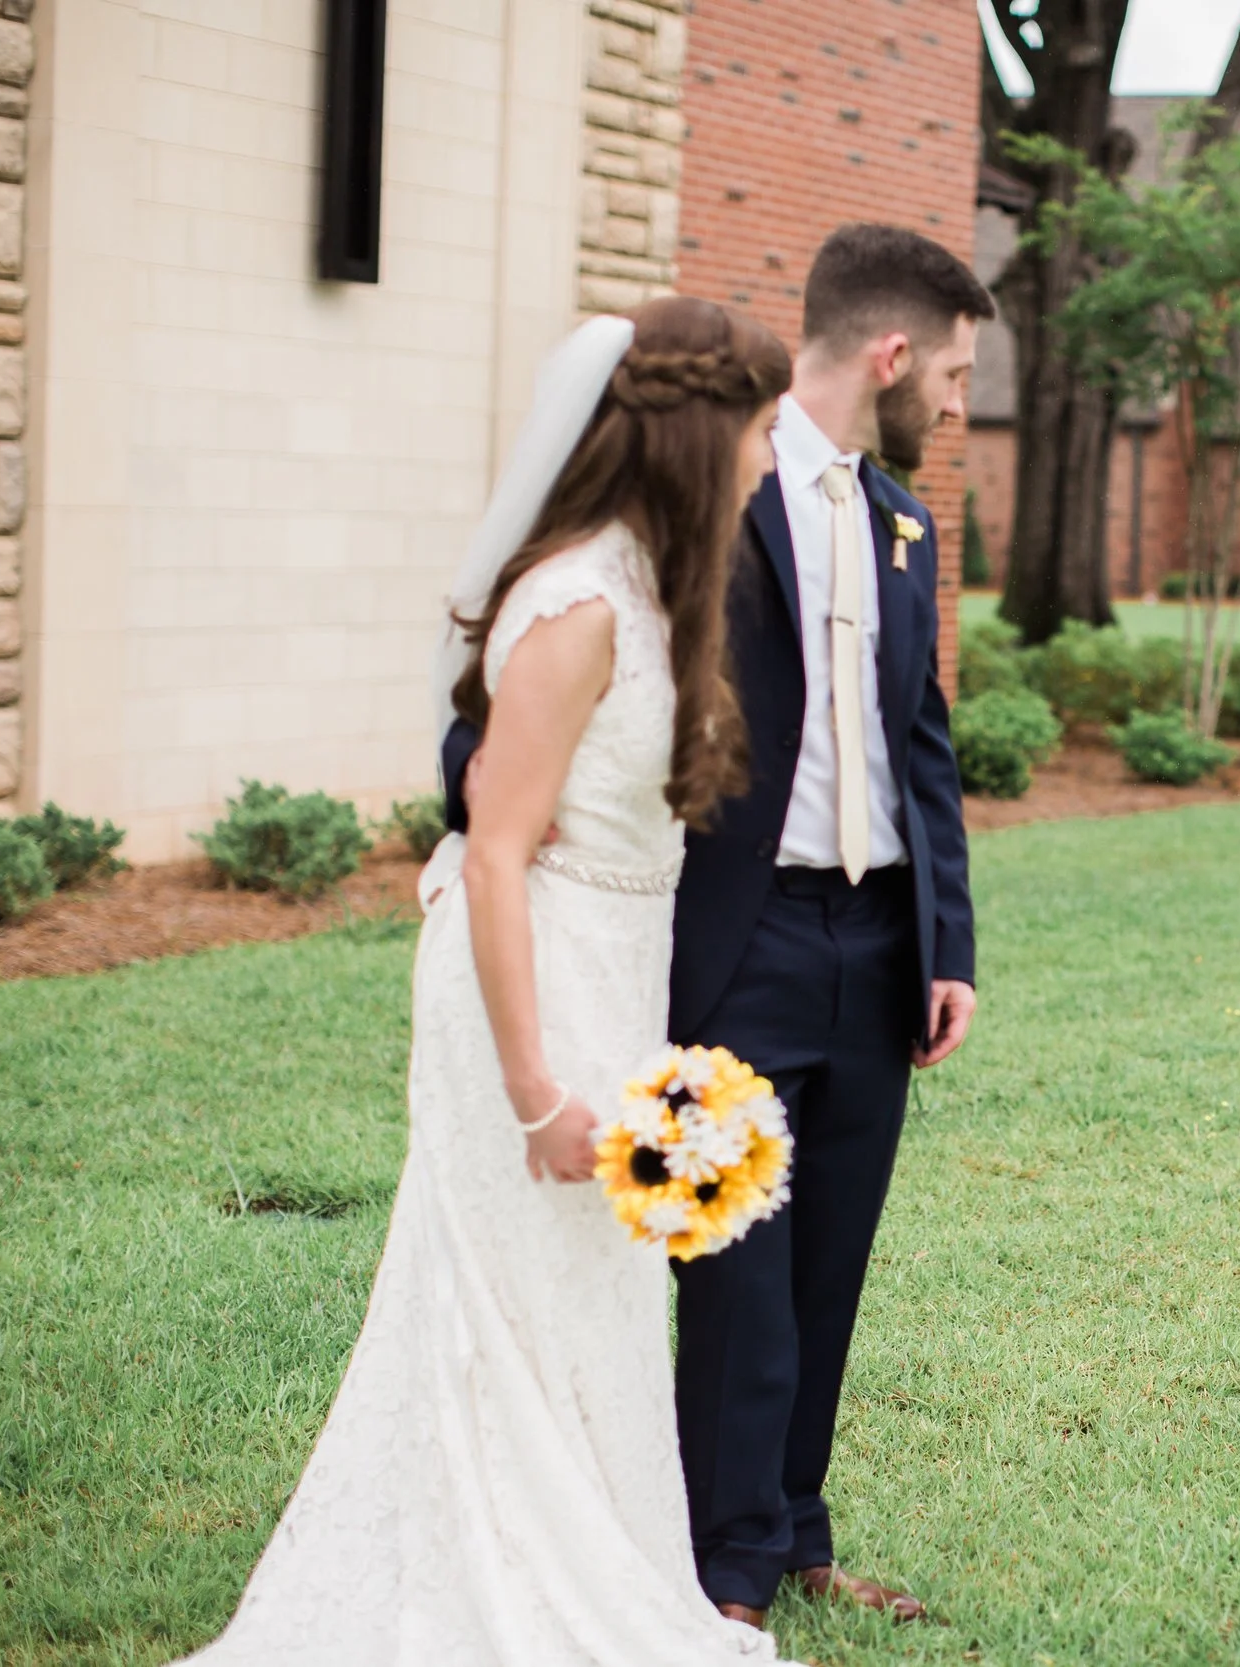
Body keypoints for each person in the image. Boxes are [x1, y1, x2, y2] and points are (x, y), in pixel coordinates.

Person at [182, 297, 794, 1663]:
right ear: (700, 437)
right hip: (534, 978)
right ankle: (503, 1577)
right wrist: (533, 1090)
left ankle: (597, 1552)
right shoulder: (576, 604)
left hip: (612, 970)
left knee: (590, 1294)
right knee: (517, 1292)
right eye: (759, 431)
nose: (768, 457)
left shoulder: (653, 586)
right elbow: (498, 851)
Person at [455, 224, 992, 1632]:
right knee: (733, 1261)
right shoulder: (711, 493)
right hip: (730, 937)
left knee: (829, 1259)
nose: (956, 406)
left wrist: (945, 942)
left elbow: (921, 739)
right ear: (892, 355)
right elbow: (521, 673)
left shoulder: (906, 523)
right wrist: (493, 812)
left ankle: (800, 1530)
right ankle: (727, 1567)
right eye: (953, 376)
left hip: (877, 945)